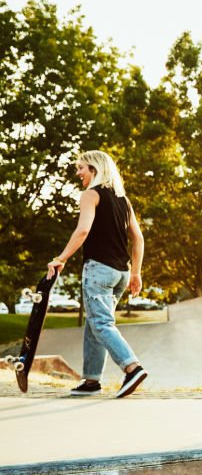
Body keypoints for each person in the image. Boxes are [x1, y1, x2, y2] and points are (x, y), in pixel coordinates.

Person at [46, 151, 148, 398]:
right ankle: (91, 380)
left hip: (99, 270)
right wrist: (136, 273)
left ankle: (132, 367)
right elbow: (138, 239)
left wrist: (61, 259)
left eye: (81, 168)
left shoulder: (90, 195)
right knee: (94, 325)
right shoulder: (123, 200)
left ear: (95, 169)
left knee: (101, 323)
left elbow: (82, 231)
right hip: (120, 273)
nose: (78, 173)